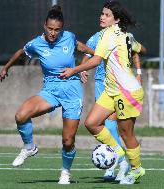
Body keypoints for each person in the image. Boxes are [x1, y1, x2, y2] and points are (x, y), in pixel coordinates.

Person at [0, 5, 93, 185]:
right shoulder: (36, 44)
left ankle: (65, 172)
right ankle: (29, 147)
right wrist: (5, 69)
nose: (53, 33)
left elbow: (89, 52)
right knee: (21, 115)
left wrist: (81, 68)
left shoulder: (69, 38)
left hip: (72, 92)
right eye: (50, 28)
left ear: (61, 29)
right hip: (50, 91)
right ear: (44, 26)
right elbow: (20, 52)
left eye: (57, 29)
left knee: (68, 140)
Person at [60, 0, 146, 184]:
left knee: (126, 133)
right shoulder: (123, 34)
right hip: (112, 90)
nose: (102, 17)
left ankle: (137, 170)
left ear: (116, 19)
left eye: (107, 15)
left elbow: (96, 60)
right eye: (102, 13)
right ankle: (118, 152)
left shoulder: (108, 35)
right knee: (92, 123)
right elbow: (141, 49)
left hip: (127, 91)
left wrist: (74, 70)